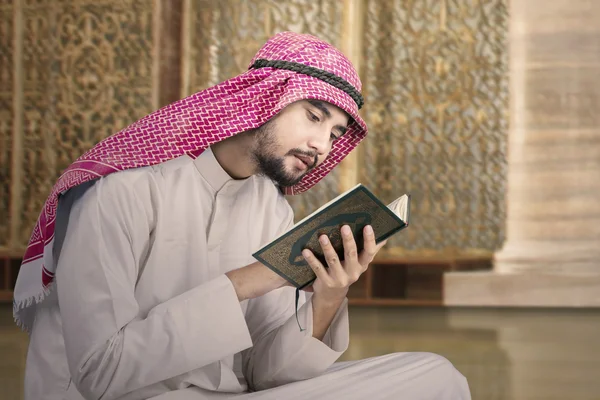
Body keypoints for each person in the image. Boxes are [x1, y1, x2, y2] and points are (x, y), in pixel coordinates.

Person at [13, 32, 471, 400]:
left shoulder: (270, 208)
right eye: (313, 116)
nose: (322, 145)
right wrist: (251, 279)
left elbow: (265, 376)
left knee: (436, 377)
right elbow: (100, 374)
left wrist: (329, 297)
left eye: (334, 133)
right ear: (262, 99)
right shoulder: (122, 193)